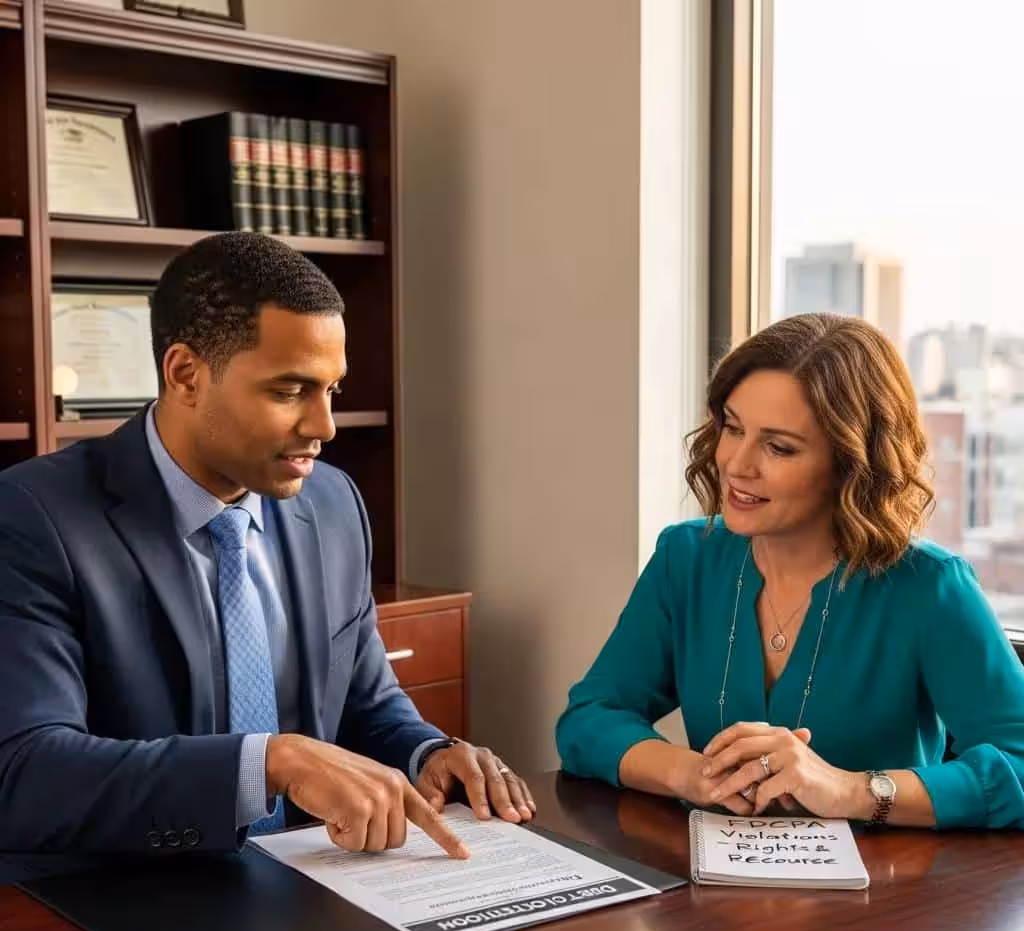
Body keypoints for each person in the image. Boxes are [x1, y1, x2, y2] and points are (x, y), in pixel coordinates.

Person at [0, 231, 534, 879]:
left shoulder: (333, 503)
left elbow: (365, 704)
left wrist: (427, 753)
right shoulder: (32, 516)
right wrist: (268, 763)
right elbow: (24, 772)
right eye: (289, 391)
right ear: (185, 374)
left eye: (331, 390)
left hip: (315, 884)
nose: (323, 427)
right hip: (121, 903)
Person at [556, 312, 1024, 829]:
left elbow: (1020, 763)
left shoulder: (930, 586)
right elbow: (590, 718)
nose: (737, 464)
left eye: (778, 447)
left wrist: (850, 790)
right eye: (733, 428)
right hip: (711, 873)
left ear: (851, 463)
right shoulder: (685, 558)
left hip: (890, 877)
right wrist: (691, 775)